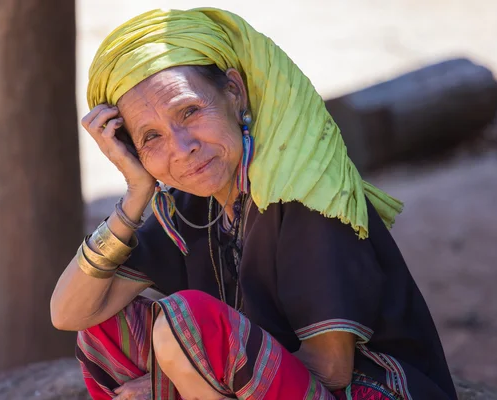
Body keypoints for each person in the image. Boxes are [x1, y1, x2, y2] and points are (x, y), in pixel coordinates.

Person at [50, 8, 457, 400]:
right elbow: (70, 314)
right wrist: (136, 193)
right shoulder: (192, 205)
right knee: (109, 329)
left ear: (234, 92)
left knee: (187, 320)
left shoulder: (305, 195)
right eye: (151, 137)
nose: (183, 147)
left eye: (190, 111)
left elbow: (330, 368)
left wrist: (170, 386)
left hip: (365, 393)